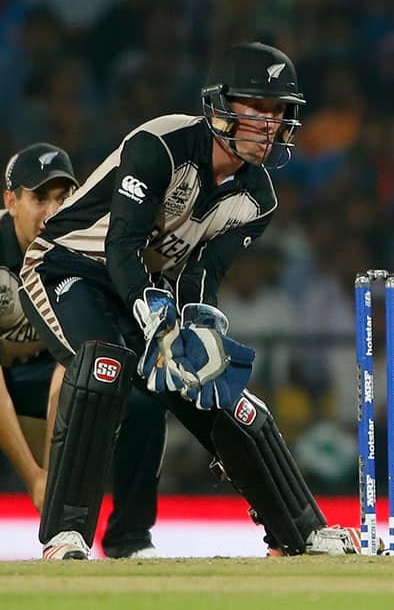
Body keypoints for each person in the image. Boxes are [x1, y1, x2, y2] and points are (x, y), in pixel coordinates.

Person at [19, 42, 364, 559]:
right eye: (256, 107)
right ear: (219, 104)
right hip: (69, 269)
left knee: (221, 390)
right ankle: (65, 534)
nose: (269, 124)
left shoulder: (258, 198)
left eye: (278, 111)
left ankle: (301, 533)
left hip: (146, 291)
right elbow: (121, 247)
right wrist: (155, 316)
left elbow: (203, 276)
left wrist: (198, 332)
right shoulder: (159, 144)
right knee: (103, 364)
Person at [1, 143, 164, 559]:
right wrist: (37, 478)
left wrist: (56, 483)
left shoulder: (86, 241)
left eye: (62, 198)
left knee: (144, 401)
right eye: (39, 198)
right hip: (6, 385)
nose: (52, 212)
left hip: (56, 373)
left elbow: (85, 350)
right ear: (10, 201)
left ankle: (129, 538)